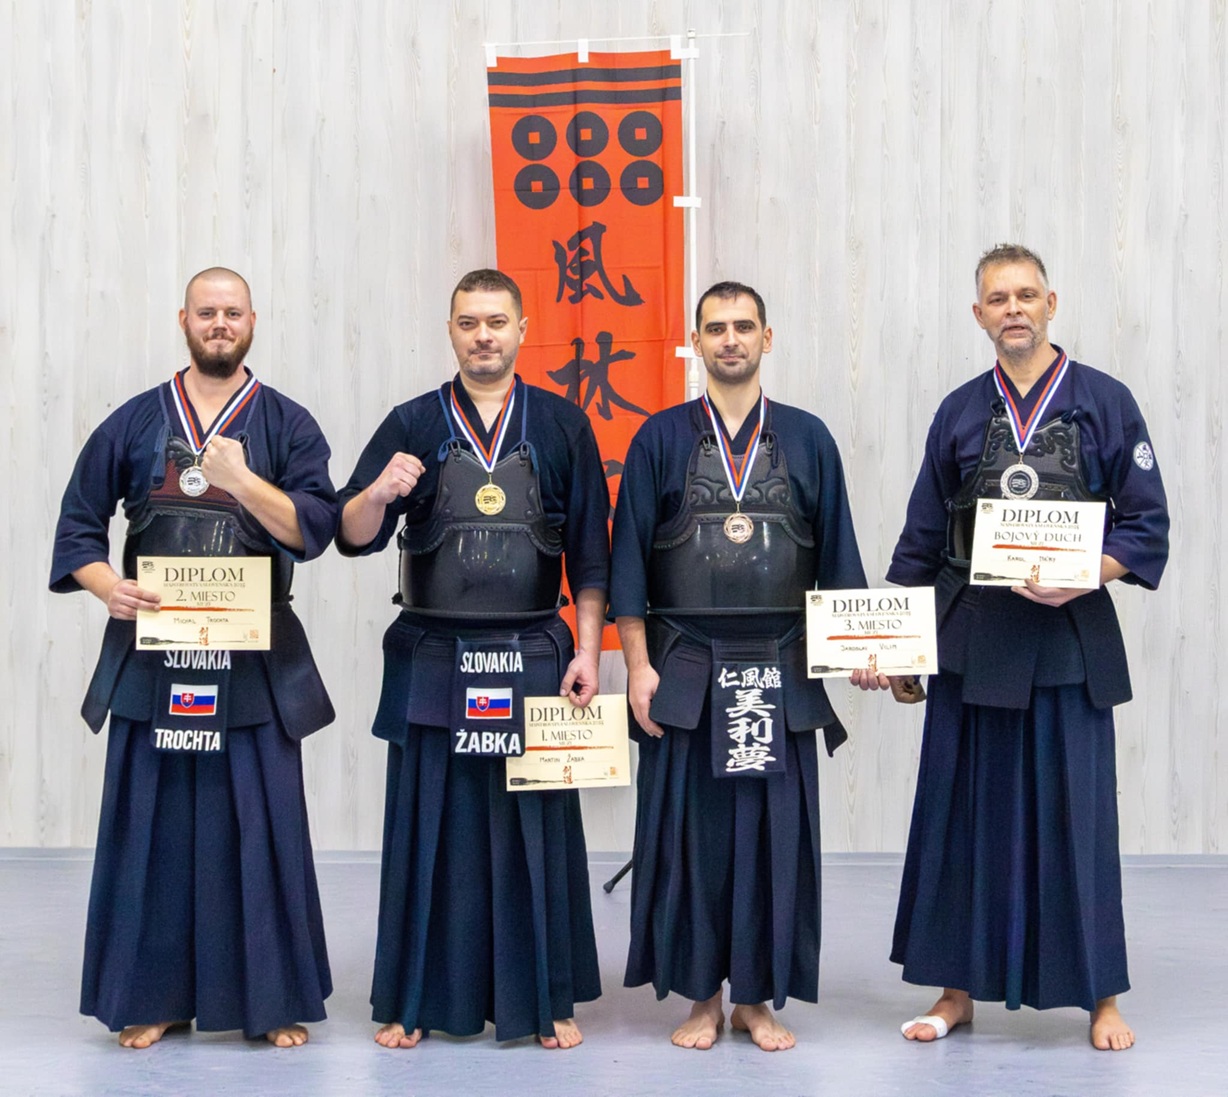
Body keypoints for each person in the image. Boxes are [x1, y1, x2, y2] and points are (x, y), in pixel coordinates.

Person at [864, 244, 1169, 1051]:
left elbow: (1146, 525)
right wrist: (896, 647)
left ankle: (1101, 994)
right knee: (961, 819)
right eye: (998, 299)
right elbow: (922, 541)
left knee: (1079, 820)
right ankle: (956, 989)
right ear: (979, 314)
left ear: (1051, 303)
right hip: (974, 640)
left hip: (1069, 641)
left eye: (1026, 295)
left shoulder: (1106, 401)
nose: (1013, 310)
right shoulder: (960, 411)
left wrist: (1084, 573)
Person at [49, 267, 338, 1049]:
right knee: (157, 829)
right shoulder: (135, 420)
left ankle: (268, 999)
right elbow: (79, 524)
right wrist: (106, 585)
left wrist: (243, 480)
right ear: (184, 319)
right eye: (206, 312)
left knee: (260, 827)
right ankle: (154, 995)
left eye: (232, 312)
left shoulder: (287, 423)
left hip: (254, 659)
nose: (219, 323)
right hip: (155, 653)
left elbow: (313, 527)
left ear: (253, 321)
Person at [337, 268, 608, 1050]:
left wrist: (589, 650)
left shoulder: (561, 423)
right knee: (433, 825)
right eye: (468, 322)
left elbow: (591, 556)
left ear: (522, 328)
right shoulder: (413, 420)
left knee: (536, 831)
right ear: (450, 330)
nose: (482, 335)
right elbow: (349, 534)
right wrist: (378, 494)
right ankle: (417, 997)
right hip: (433, 651)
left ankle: (546, 996)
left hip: (534, 649)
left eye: (496, 321)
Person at [611, 281, 869, 1052]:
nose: (731, 339)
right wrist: (639, 666)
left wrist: (864, 651)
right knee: (692, 841)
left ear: (767, 338)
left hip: (781, 665)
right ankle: (701, 997)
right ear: (695, 341)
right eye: (716, 327)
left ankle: (755, 997)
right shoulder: (659, 438)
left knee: (772, 840)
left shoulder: (808, 438)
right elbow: (629, 568)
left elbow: (839, 560)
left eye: (744, 326)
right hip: (685, 665)